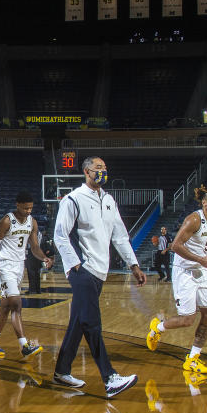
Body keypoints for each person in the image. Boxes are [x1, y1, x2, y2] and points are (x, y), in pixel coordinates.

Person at [51, 156, 144, 397]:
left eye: (105, 167)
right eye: (98, 168)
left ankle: (62, 370)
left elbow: (120, 236)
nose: (103, 171)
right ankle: (109, 377)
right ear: (86, 171)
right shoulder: (73, 199)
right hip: (82, 270)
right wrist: (75, 265)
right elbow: (60, 235)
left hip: (101, 271)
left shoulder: (109, 200)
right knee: (92, 322)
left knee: (79, 323)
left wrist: (133, 265)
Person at [146, 185, 207, 376]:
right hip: (184, 271)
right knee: (187, 320)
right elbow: (175, 245)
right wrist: (200, 259)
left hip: (202, 271)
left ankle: (192, 359)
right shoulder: (193, 219)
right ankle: (157, 328)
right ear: (204, 202)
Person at [0, 191, 51, 358]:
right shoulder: (7, 221)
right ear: (17, 205)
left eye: (30, 208)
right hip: (4, 266)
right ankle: (24, 345)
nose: (28, 211)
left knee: (7, 306)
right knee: (16, 303)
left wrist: (44, 258)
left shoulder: (32, 222)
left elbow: (34, 247)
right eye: (25, 208)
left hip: (18, 266)